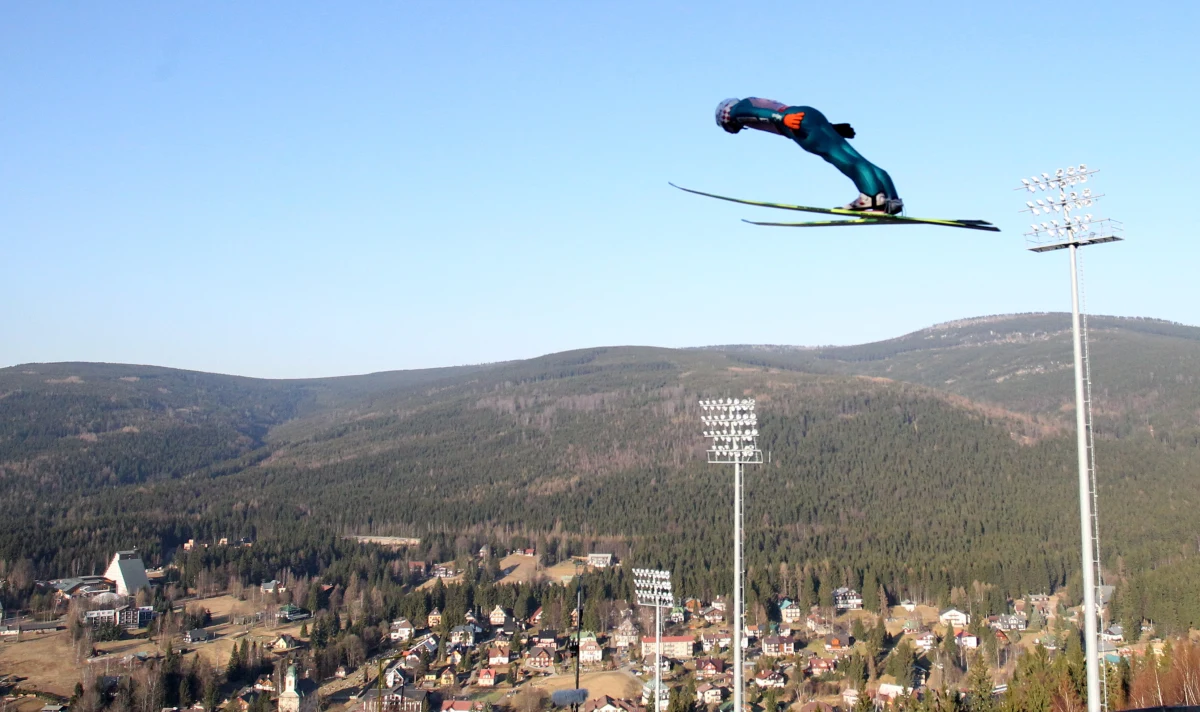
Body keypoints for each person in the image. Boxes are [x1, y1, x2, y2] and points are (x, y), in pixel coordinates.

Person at [715, 97, 903, 215]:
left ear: (725, 115)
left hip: (793, 121)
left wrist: (782, 120)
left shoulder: (738, 110)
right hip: (808, 114)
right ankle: (890, 200)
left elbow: (757, 113)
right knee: (855, 157)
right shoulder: (752, 99)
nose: (736, 129)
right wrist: (833, 128)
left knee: (838, 157)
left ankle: (870, 197)